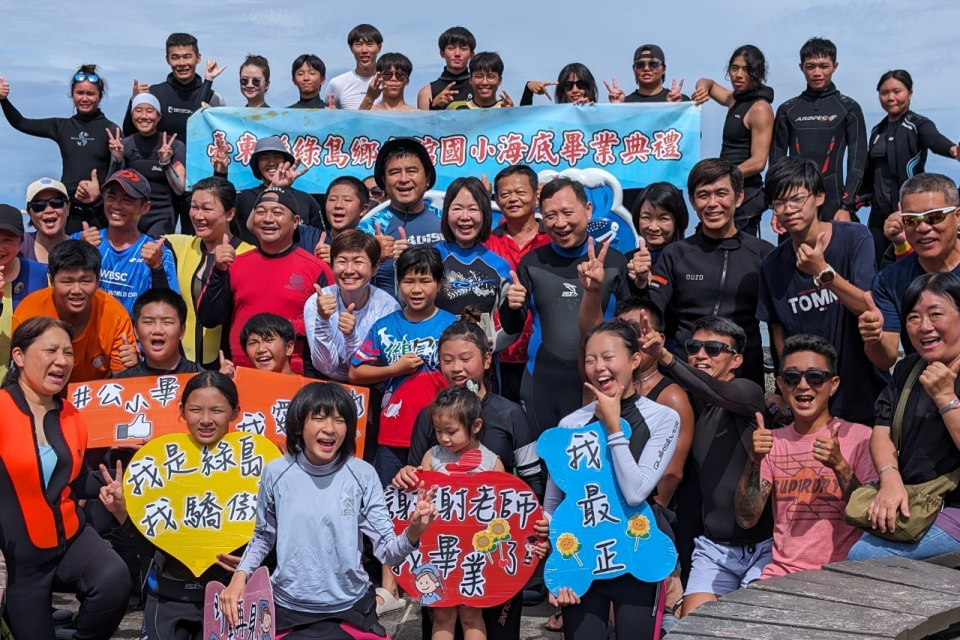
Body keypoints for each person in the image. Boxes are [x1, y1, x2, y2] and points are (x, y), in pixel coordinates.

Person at [221, 383, 438, 638]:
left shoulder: (363, 474)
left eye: (339, 420)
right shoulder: (276, 472)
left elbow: (389, 553)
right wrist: (240, 576)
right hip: (287, 611)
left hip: (352, 610)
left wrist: (413, 533)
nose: (330, 428)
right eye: (319, 418)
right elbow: (262, 537)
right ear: (299, 425)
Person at [402, 308, 544, 638]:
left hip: (496, 543)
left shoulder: (511, 415)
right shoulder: (430, 418)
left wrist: (530, 527)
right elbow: (416, 480)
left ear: (486, 356)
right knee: (441, 623)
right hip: (443, 546)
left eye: (465, 358)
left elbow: (532, 479)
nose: (456, 367)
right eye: (447, 359)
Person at [542, 318, 680, 640]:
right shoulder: (569, 424)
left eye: (607, 357)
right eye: (590, 360)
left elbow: (636, 492)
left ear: (634, 361)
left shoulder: (662, 418)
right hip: (582, 558)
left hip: (637, 554)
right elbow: (554, 501)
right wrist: (555, 564)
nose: (598, 367)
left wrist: (614, 426)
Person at [0, 317, 132, 640]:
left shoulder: (73, 415)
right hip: (19, 562)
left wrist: (113, 488)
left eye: (68, 352)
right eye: (51, 350)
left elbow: (74, 477)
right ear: (18, 356)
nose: (62, 360)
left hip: (70, 538)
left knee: (114, 579)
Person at [638, 316, 773, 615]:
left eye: (713, 349)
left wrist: (665, 356)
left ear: (736, 359)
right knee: (694, 626)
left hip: (763, 547)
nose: (701, 354)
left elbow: (713, 390)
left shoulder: (746, 392)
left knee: (750, 625)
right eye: (694, 346)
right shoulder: (688, 405)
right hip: (713, 549)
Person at [105, 371, 244, 639]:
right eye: (195, 409)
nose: (205, 420)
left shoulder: (255, 463)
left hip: (229, 596)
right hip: (168, 594)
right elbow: (145, 544)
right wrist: (122, 511)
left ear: (235, 412)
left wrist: (249, 564)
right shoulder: (158, 461)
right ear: (181, 411)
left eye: (217, 410)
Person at [734, 335, 876, 577]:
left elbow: (872, 519)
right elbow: (746, 518)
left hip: (845, 576)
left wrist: (840, 466)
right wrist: (754, 460)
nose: (802, 385)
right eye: (792, 377)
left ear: (833, 384)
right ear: (779, 383)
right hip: (781, 575)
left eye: (815, 377)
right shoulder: (772, 442)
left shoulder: (862, 437)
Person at [758, 157, 886, 424]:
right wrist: (787, 386)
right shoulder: (771, 265)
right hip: (809, 402)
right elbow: (778, 331)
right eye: (779, 203)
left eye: (796, 199)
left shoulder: (855, 237)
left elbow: (868, 306)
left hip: (863, 393)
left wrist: (823, 272)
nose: (788, 209)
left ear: (819, 197)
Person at [498, 177, 631, 435]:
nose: (560, 223)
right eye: (550, 216)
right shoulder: (532, 262)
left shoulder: (614, 262)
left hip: (601, 384)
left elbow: (630, 329)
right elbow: (512, 326)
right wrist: (511, 305)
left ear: (588, 209)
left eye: (568, 212)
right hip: (543, 384)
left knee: (597, 467)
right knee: (543, 466)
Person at [848, 272, 960, 561]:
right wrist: (890, 479)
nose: (924, 327)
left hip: (955, 508)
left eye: (936, 314)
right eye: (913, 317)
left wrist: (946, 398)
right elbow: (882, 430)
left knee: (862, 559)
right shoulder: (907, 369)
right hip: (915, 498)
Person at [644, 159, 774, 387]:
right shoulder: (676, 254)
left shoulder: (764, 254)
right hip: (685, 374)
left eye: (721, 193)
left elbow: (777, 323)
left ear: (739, 198)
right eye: (703, 195)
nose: (713, 203)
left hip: (743, 378)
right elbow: (652, 313)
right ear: (693, 202)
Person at [395, 386, 503, 640]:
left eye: (451, 431)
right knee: (442, 614)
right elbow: (417, 495)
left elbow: (502, 509)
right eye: (438, 430)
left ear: (475, 425)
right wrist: (405, 476)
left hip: (475, 551)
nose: (443, 438)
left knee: (471, 613)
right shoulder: (432, 457)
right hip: (438, 548)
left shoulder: (491, 463)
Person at [349, 246, 457, 483]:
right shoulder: (384, 326)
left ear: (439, 284)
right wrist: (394, 370)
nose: (416, 290)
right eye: (408, 281)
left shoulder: (454, 326)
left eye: (425, 281)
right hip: (393, 433)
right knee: (390, 503)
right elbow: (355, 372)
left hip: (444, 434)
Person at [197, 187, 332, 374]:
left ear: (295, 222)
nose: (268, 219)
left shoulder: (316, 268)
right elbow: (209, 318)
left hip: (295, 379)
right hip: (241, 376)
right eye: (261, 212)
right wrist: (219, 270)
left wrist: (293, 327)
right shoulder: (234, 263)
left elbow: (332, 325)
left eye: (277, 212)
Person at [0, 65, 119, 233]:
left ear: (100, 96)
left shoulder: (111, 130)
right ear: (72, 95)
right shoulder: (61, 126)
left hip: (99, 210)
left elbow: (122, 169)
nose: (85, 98)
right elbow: (21, 122)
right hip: (69, 211)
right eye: (80, 93)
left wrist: (119, 157)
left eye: (90, 93)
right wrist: (3, 100)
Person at [859, 173, 960, 370]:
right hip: (923, 388)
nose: (923, 228)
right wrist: (873, 337)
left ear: (957, 216)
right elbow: (885, 359)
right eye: (911, 220)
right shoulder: (890, 280)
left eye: (934, 217)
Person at [863, 70, 960, 262]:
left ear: (910, 93)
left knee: (913, 268)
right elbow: (869, 171)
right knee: (879, 266)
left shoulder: (918, 124)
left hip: (910, 215)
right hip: (878, 215)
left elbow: (934, 139)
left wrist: (952, 150)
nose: (890, 98)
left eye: (897, 91)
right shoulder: (877, 131)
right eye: (884, 92)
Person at [770, 37, 866, 222]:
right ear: (801, 67)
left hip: (836, 205)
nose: (817, 72)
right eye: (810, 66)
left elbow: (857, 163)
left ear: (835, 66)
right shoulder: (787, 110)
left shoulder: (848, 108)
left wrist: (847, 206)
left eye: (824, 66)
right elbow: (776, 164)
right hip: (794, 206)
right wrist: (777, 208)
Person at [13, 240, 136, 382]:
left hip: (97, 397)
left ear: (98, 281)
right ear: (52, 281)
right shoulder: (29, 312)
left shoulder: (115, 314)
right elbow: (23, 375)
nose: (77, 290)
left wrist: (131, 365)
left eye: (85, 281)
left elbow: (121, 380)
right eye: (67, 281)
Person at [165, 177, 255, 369]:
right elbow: (132, 239)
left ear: (230, 214)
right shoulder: (178, 245)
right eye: (194, 207)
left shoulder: (249, 254)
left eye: (207, 209)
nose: (198, 216)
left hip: (228, 366)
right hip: (183, 365)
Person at [691, 45, 774, 236]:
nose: (739, 75)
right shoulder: (733, 99)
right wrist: (702, 89)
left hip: (745, 195)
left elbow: (759, 162)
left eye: (746, 70)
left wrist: (722, 176)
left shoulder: (760, 108)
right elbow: (707, 82)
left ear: (758, 73)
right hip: (724, 190)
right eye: (734, 68)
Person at [72, 168, 180, 316]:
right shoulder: (81, 240)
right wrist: (79, 253)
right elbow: (57, 287)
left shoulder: (158, 253)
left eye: (127, 200)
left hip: (132, 338)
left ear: (145, 207)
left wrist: (157, 269)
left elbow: (172, 311)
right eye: (111, 197)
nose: (117, 205)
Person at [486, 165, 552, 403]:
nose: (512, 199)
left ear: (536, 196)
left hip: (544, 355)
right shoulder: (485, 242)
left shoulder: (555, 239)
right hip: (496, 357)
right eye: (505, 194)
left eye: (520, 192)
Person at [305, 230, 399, 382]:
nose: (349, 270)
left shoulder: (388, 309)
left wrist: (351, 337)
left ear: (375, 268)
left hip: (373, 386)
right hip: (326, 385)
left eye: (358, 262)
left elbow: (364, 370)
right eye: (342, 261)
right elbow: (326, 367)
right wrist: (322, 320)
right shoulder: (316, 302)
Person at [357, 138, 444, 297]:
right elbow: (350, 286)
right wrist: (373, 258)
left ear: (428, 178)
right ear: (384, 181)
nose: (404, 179)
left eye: (412, 170)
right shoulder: (367, 229)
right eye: (394, 172)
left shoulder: (447, 221)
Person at [436, 177, 513, 348]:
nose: (465, 217)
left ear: (485, 214)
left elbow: (513, 327)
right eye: (457, 209)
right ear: (446, 213)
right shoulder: (431, 258)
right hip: (436, 363)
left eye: (473, 209)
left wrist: (489, 348)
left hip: (483, 367)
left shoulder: (499, 266)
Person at [123, 32, 225, 141]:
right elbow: (129, 133)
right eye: (175, 57)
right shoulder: (154, 94)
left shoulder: (213, 98)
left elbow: (223, 136)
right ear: (167, 59)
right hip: (161, 157)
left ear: (198, 58)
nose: (181, 63)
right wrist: (134, 101)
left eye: (187, 57)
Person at [109, 93, 186, 236]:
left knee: (151, 253)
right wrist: (117, 160)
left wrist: (166, 163)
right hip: (130, 214)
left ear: (159, 116)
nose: (144, 116)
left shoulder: (174, 146)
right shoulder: (123, 146)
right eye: (138, 111)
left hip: (161, 216)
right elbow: (111, 189)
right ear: (132, 116)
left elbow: (180, 189)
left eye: (150, 111)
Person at [229, 135, 325, 245]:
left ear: (286, 162)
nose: (271, 163)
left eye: (277, 157)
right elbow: (221, 217)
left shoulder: (306, 199)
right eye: (264, 158)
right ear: (257, 165)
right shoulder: (243, 198)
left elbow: (320, 237)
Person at [0, 204, 49, 379]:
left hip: (25, 384)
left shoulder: (40, 275)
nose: (1, 247)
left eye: (7, 240)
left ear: (21, 242)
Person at [114, 287, 203, 378]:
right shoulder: (123, 382)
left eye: (167, 322)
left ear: (182, 331)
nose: (157, 330)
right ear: (136, 331)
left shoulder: (202, 380)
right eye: (148, 322)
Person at [310, 176, 370, 263]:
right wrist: (283, 188)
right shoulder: (308, 236)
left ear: (363, 209)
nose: (338, 205)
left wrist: (338, 258)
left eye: (347, 200)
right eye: (332, 199)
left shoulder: (369, 247)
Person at [605, 44, 689, 103]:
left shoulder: (680, 100)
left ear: (664, 69)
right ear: (633, 69)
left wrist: (676, 108)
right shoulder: (625, 104)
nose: (646, 68)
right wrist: (617, 108)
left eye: (653, 64)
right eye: (640, 65)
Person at [417, 26, 476, 110]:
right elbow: (424, 123)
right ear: (442, 53)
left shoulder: (480, 87)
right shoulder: (427, 92)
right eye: (451, 48)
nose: (457, 54)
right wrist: (434, 106)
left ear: (471, 55)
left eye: (463, 49)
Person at [327, 24, 383, 110]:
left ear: (379, 47)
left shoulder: (389, 83)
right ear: (351, 48)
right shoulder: (337, 83)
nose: (364, 50)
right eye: (359, 44)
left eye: (370, 44)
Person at [21, 177, 71, 262]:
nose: (49, 210)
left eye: (56, 202)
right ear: (29, 213)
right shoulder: (19, 244)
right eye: (39, 205)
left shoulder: (81, 248)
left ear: (67, 208)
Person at [447, 52, 512, 109]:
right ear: (470, 80)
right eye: (479, 76)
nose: (484, 82)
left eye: (490, 77)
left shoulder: (506, 109)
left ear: (500, 80)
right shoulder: (456, 109)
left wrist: (512, 114)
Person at [521, 63, 598, 105]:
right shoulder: (555, 119)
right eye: (568, 85)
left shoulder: (600, 117)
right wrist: (528, 90)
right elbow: (524, 124)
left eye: (581, 84)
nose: (575, 90)